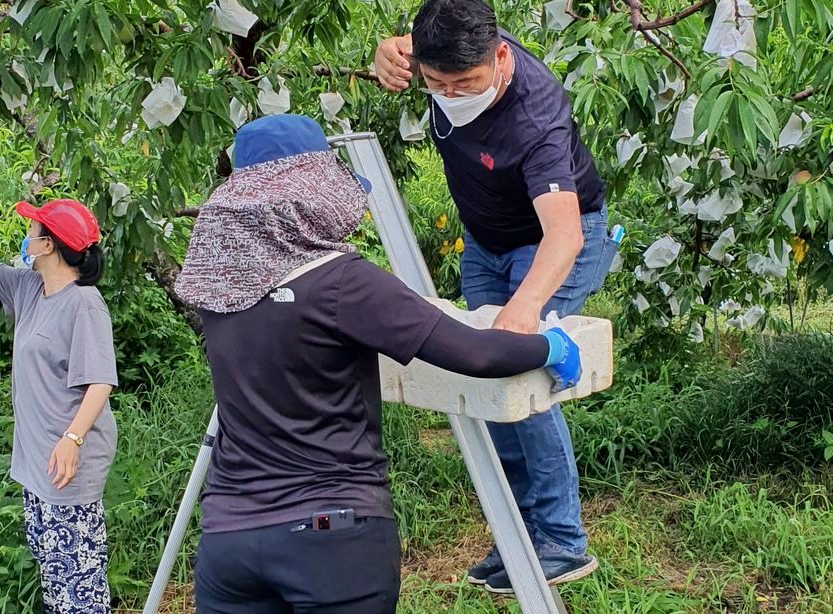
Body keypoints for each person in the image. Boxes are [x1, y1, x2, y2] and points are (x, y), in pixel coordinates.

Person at [175, 113, 582, 614]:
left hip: (228, 541)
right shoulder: (342, 282)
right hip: (330, 539)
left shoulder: (214, 290)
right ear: (314, 191)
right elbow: (476, 352)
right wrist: (550, 348)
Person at [374, 0, 617, 594]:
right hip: (484, 241)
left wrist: (525, 309)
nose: (452, 96)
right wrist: (386, 55)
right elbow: (401, 48)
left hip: (556, 237)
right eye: (439, 84)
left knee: (520, 372)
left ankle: (562, 539)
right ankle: (518, 530)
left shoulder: (537, 116)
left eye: (468, 83)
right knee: (484, 381)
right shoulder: (438, 52)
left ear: (501, 57)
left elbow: (562, 232)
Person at [0, 199, 117, 614]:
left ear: (47, 245)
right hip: (37, 464)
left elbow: (100, 382)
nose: (25, 239)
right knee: (53, 572)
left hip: (68, 463)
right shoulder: (30, 289)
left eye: (31, 232)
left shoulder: (84, 303)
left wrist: (72, 438)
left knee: (79, 583)